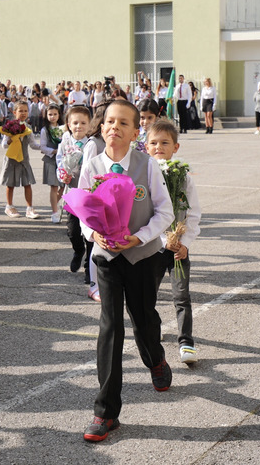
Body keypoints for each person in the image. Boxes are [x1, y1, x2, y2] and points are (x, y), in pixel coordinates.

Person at [79, 100, 174, 443]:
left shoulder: (147, 166)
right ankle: (106, 412)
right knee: (110, 328)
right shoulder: (91, 165)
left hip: (142, 256)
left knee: (144, 320)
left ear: (136, 133)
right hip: (107, 259)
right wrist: (95, 235)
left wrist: (139, 236)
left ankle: (156, 360)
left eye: (123, 123)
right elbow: (81, 215)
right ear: (102, 127)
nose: (114, 127)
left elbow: (165, 213)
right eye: (109, 121)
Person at [144, 119, 202, 365]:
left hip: (178, 249)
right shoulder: (144, 176)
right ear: (146, 147)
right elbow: (142, 215)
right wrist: (160, 238)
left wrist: (184, 242)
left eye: (165, 143)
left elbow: (194, 213)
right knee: (149, 296)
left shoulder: (183, 175)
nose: (159, 147)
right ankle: (153, 331)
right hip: (154, 248)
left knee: (182, 296)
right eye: (154, 143)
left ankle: (186, 341)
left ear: (175, 147)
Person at [56, 105, 94, 296]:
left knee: (89, 233)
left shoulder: (91, 144)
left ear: (89, 125)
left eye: (83, 123)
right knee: (73, 230)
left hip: (86, 195)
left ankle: (89, 266)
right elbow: (59, 161)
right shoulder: (65, 141)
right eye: (75, 122)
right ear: (69, 124)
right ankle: (77, 251)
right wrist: (62, 175)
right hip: (71, 193)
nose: (78, 126)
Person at [0, 100, 41, 219]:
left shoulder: (28, 127)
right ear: (14, 112)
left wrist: (46, 148)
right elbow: (3, 145)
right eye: (20, 111)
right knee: (10, 184)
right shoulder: (9, 126)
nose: (23, 113)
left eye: (25, 111)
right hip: (11, 159)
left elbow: (33, 144)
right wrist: (11, 139)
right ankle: (9, 206)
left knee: (27, 183)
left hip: (24, 159)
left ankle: (29, 209)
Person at [40, 104, 64, 223]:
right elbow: (43, 147)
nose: (53, 117)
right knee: (54, 186)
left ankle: (57, 202)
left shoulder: (63, 128)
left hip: (63, 160)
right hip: (51, 159)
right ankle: (55, 212)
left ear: (59, 115)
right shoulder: (45, 130)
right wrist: (53, 151)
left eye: (55, 114)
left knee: (64, 186)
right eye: (50, 114)